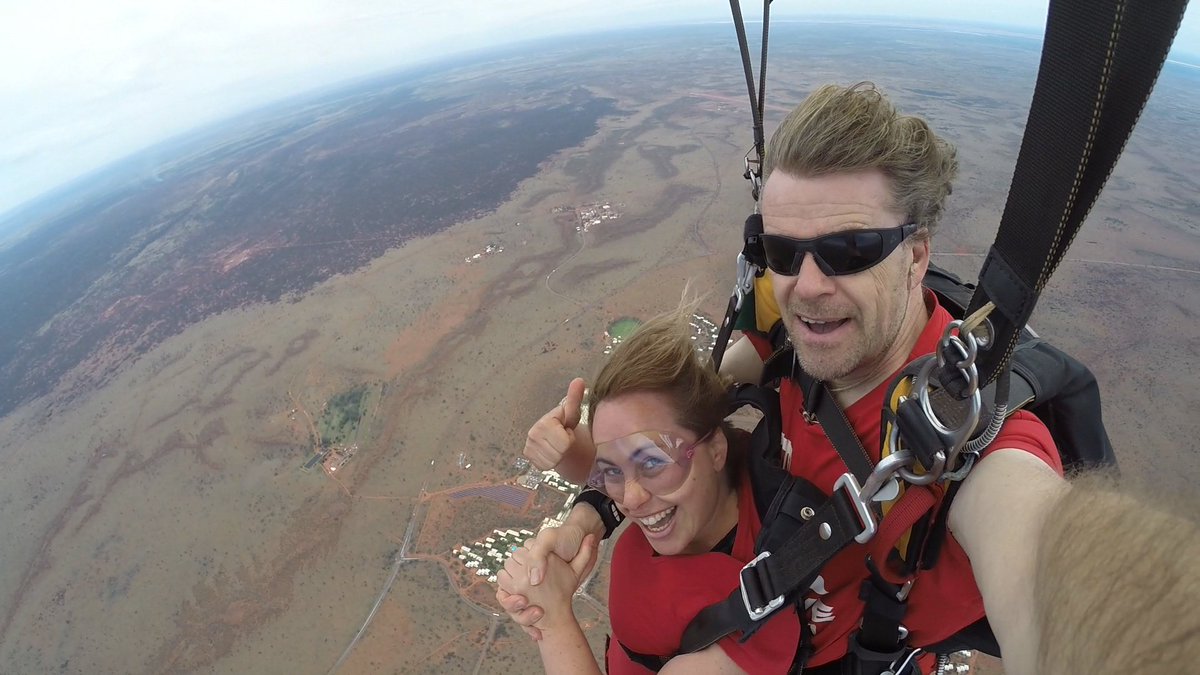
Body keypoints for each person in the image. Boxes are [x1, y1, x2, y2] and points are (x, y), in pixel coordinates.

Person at [503, 82, 1073, 674]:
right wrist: (589, 501)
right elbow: (677, 432)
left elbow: (1056, 579)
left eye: (850, 250)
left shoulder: (975, 446)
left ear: (916, 256)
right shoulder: (791, 334)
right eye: (782, 251)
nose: (808, 286)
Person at [498, 303, 804, 674]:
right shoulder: (703, 493)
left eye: (653, 463)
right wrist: (577, 526)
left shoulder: (757, 604)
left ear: (716, 450)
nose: (631, 498)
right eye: (612, 470)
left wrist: (552, 621)